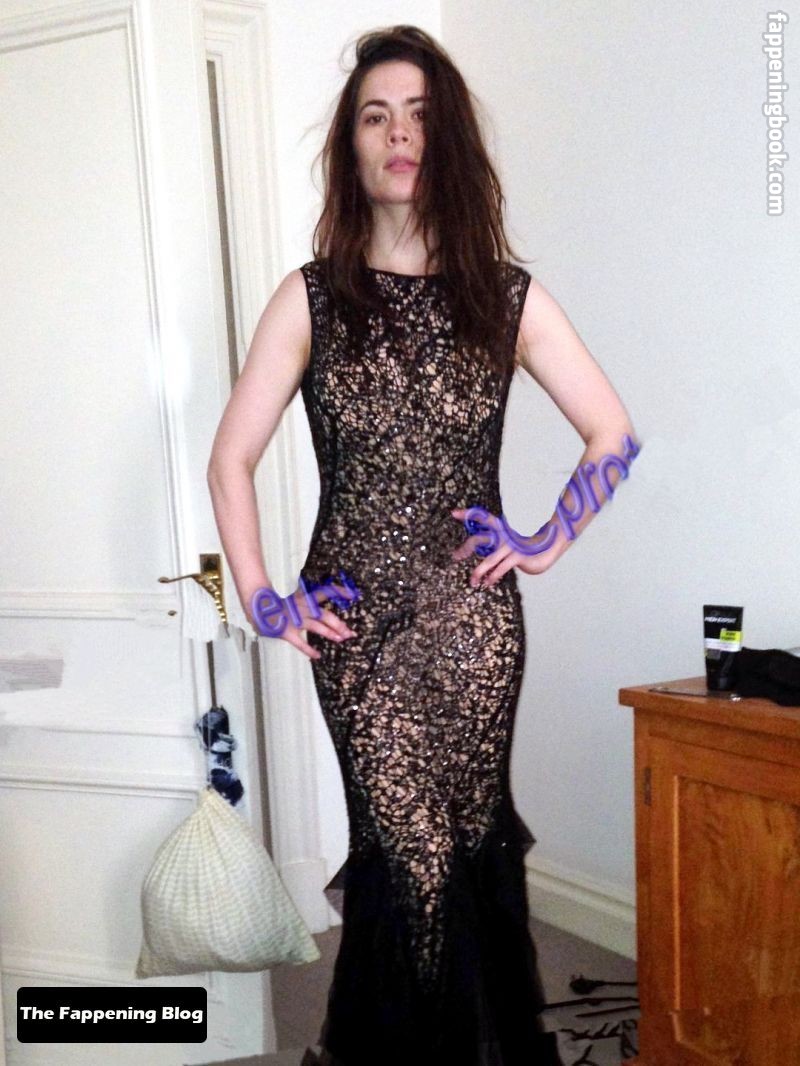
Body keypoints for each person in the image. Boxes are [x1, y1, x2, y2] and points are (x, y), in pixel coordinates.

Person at [207, 24, 638, 1066]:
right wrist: (264, 599)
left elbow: (612, 433)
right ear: (352, 146)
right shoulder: (311, 296)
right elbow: (230, 460)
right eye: (375, 115)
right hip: (357, 634)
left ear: (445, 142)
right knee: (412, 861)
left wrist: (545, 540)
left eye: (418, 115)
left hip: (474, 630)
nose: (398, 133)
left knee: (469, 850)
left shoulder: (503, 293)